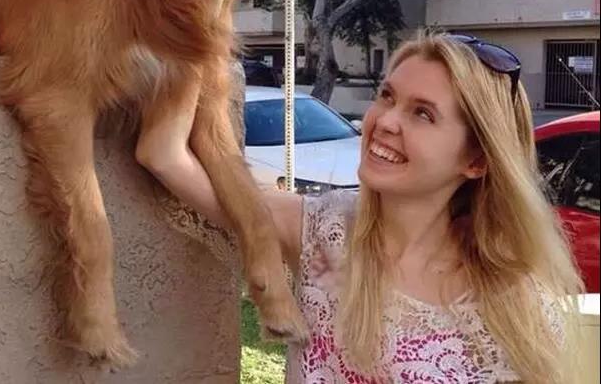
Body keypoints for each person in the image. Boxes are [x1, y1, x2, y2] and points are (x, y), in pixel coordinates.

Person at [146, 31, 582, 383]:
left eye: (423, 114)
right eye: (387, 96)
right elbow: (163, 154)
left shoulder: (515, 303)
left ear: (477, 161)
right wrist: (201, 24)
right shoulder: (323, 231)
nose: (384, 121)